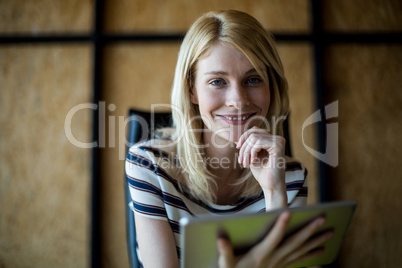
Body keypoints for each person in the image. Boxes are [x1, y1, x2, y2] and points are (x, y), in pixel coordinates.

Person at [126, 10, 332, 268]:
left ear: (271, 87)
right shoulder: (148, 165)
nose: (238, 100)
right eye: (217, 81)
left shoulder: (289, 176)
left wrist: (274, 193)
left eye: (253, 79)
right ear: (192, 89)